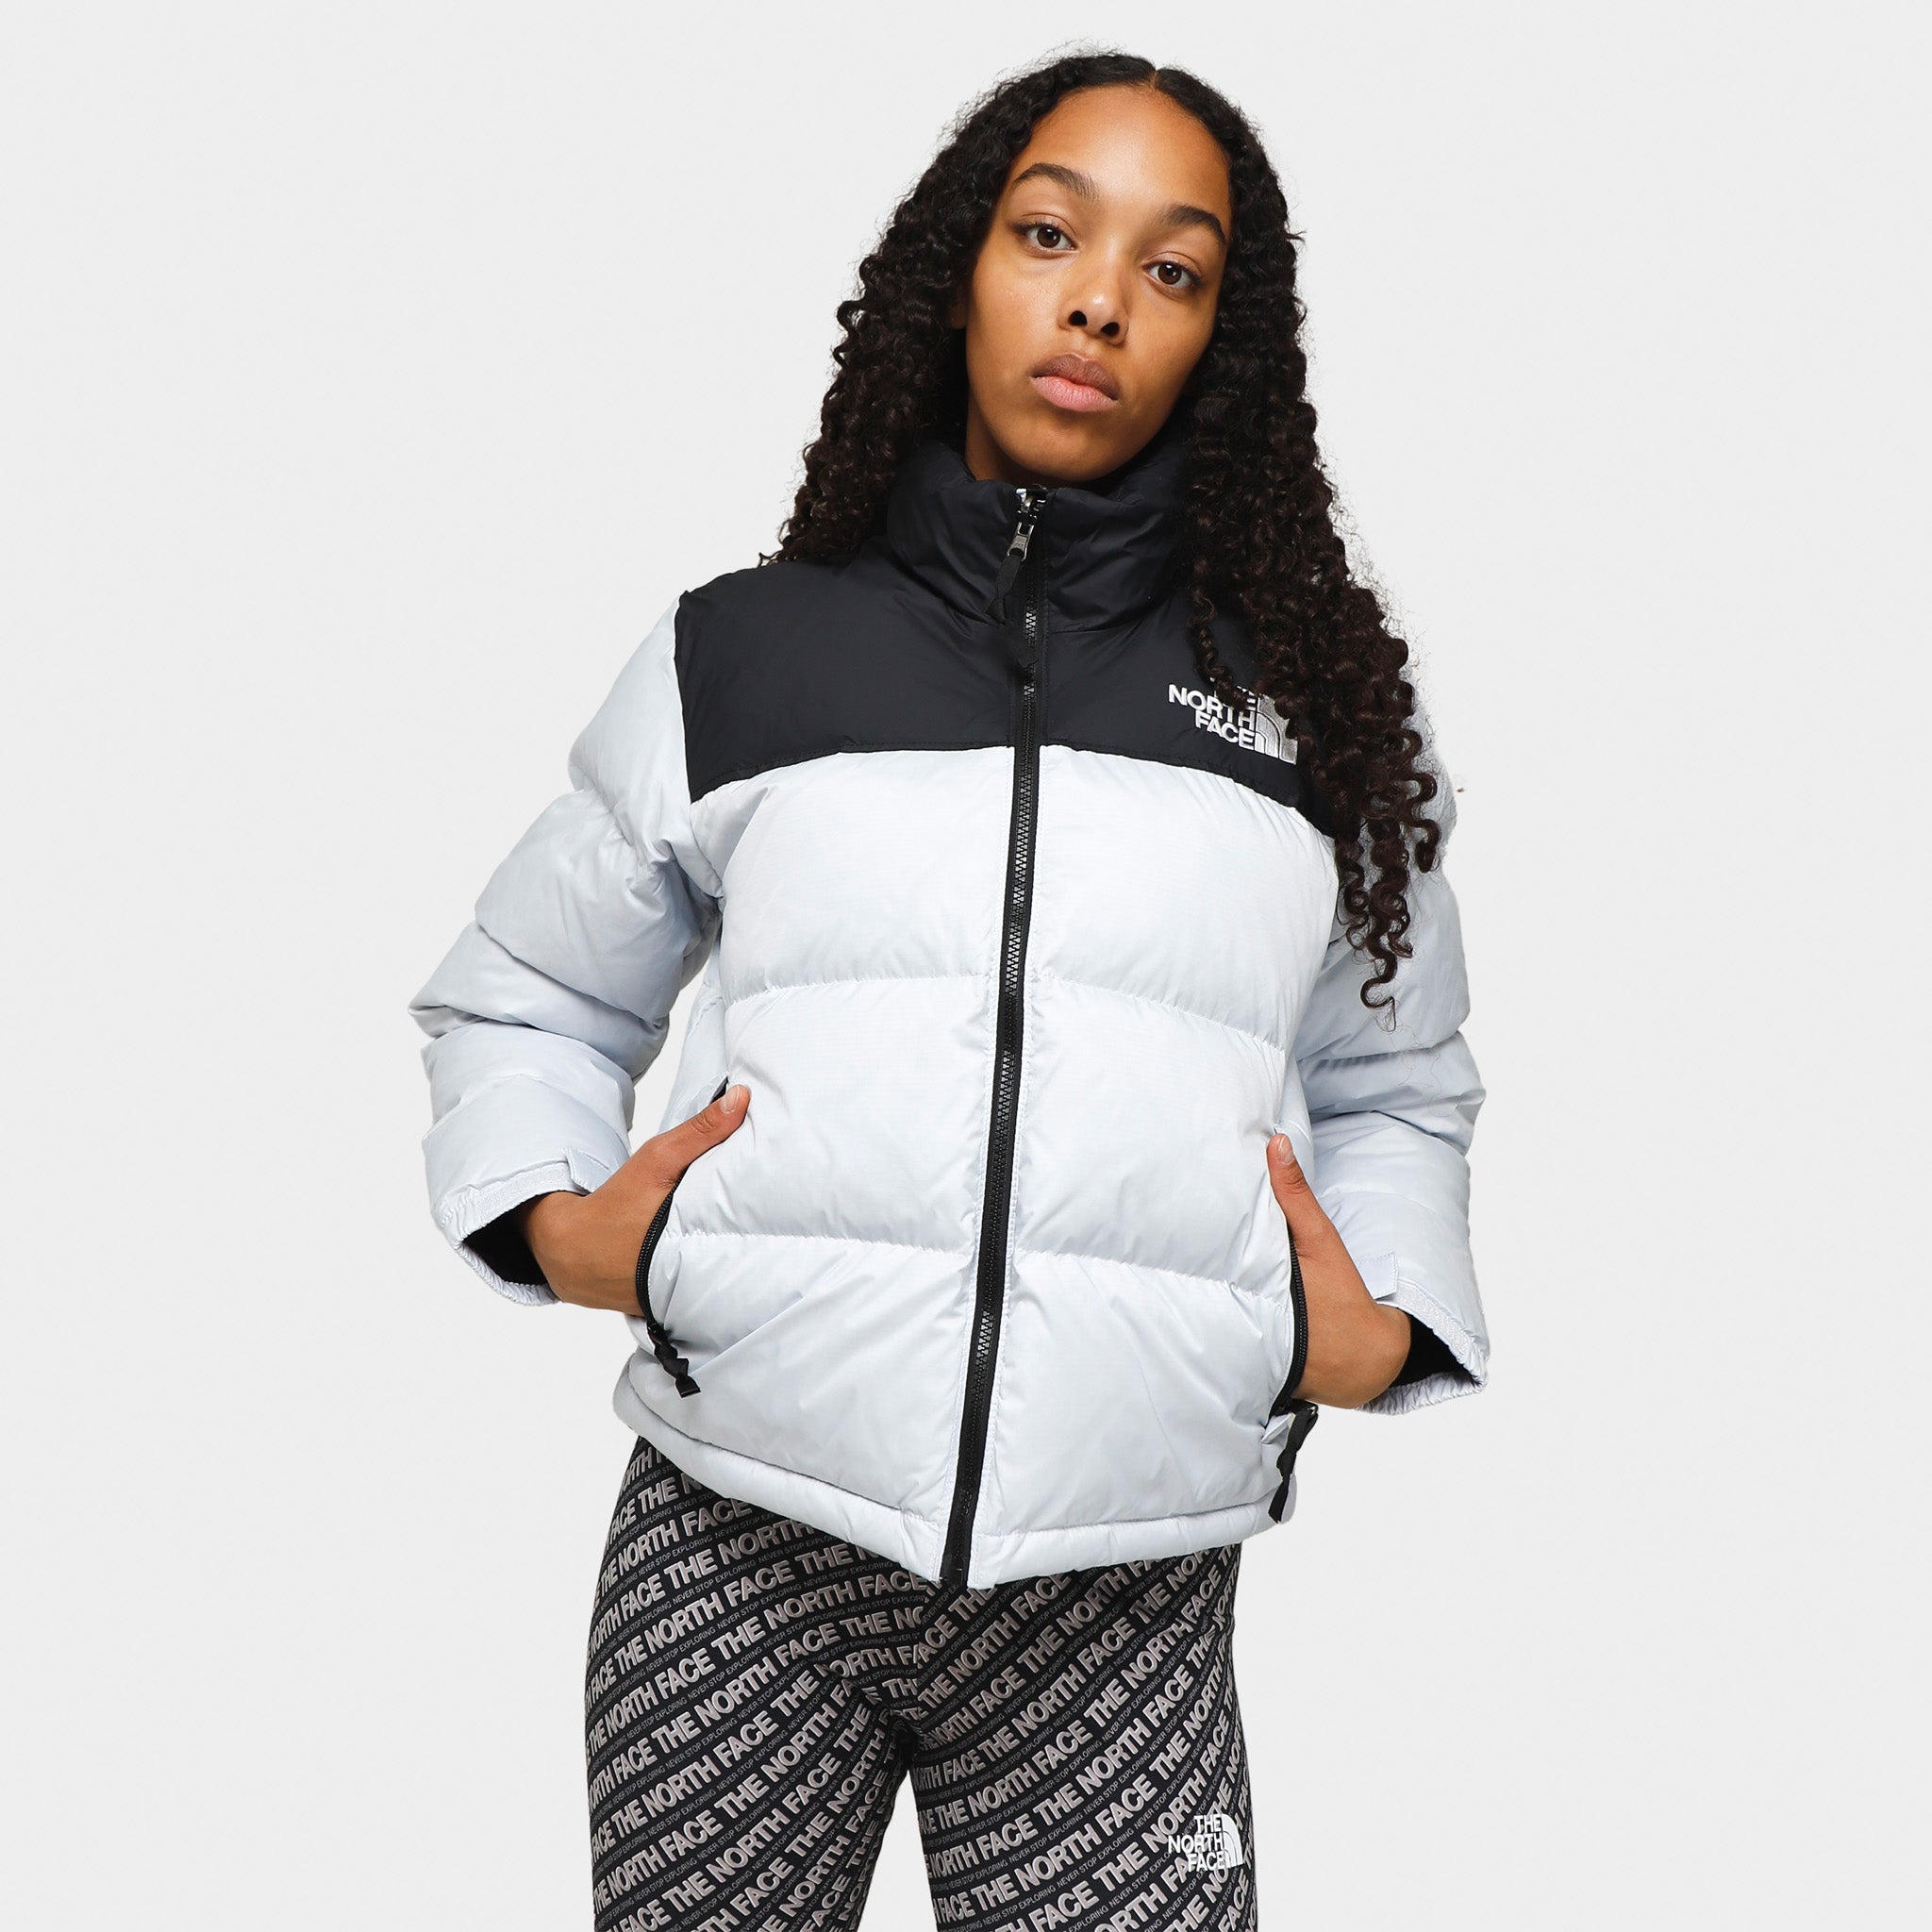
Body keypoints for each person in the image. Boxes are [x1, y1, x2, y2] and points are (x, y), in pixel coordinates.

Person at [408, 50, 1488, 1931]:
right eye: (1051, 234)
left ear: (1222, 343)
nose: (1099, 301)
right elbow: (526, 996)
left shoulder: (1308, 711)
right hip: (738, 1553)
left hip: (1122, 1592)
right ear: (959, 270)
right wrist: (559, 1226)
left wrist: (1378, 1331)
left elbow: (1399, 1082)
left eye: (1172, 268)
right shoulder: (744, 655)